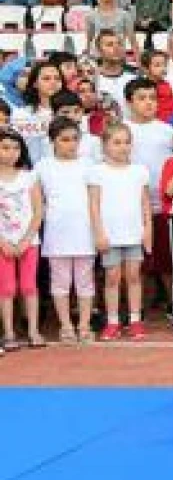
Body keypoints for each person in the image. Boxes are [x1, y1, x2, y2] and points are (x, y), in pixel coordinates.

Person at [88, 124, 153, 340]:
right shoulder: (97, 172)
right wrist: (99, 233)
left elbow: (145, 204)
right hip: (110, 235)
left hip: (134, 233)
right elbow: (94, 205)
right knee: (112, 277)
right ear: (105, 145)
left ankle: (135, 320)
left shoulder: (139, 171)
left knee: (134, 276)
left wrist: (147, 230)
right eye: (116, 142)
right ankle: (113, 321)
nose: (123, 147)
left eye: (126, 142)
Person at [38, 119, 96, 344]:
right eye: (64, 140)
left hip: (85, 232)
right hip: (56, 233)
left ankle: (84, 324)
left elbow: (96, 200)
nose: (71, 144)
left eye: (75, 139)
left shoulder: (89, 164)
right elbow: (37, 200)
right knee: (60, 282)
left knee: (85, 281)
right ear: (52, 141)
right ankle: (65, 325)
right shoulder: (43, 166)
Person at [0, 127, 45, 350]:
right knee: (6, 288)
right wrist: (3, 243)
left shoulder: (29, 177)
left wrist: (27, 239)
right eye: (5, 147)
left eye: (16, 148)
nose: (11, 152)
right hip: (3, 244)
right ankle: (9, 332)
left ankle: (33, 330)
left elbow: (38, 211)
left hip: (29, 241)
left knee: (29, 286)